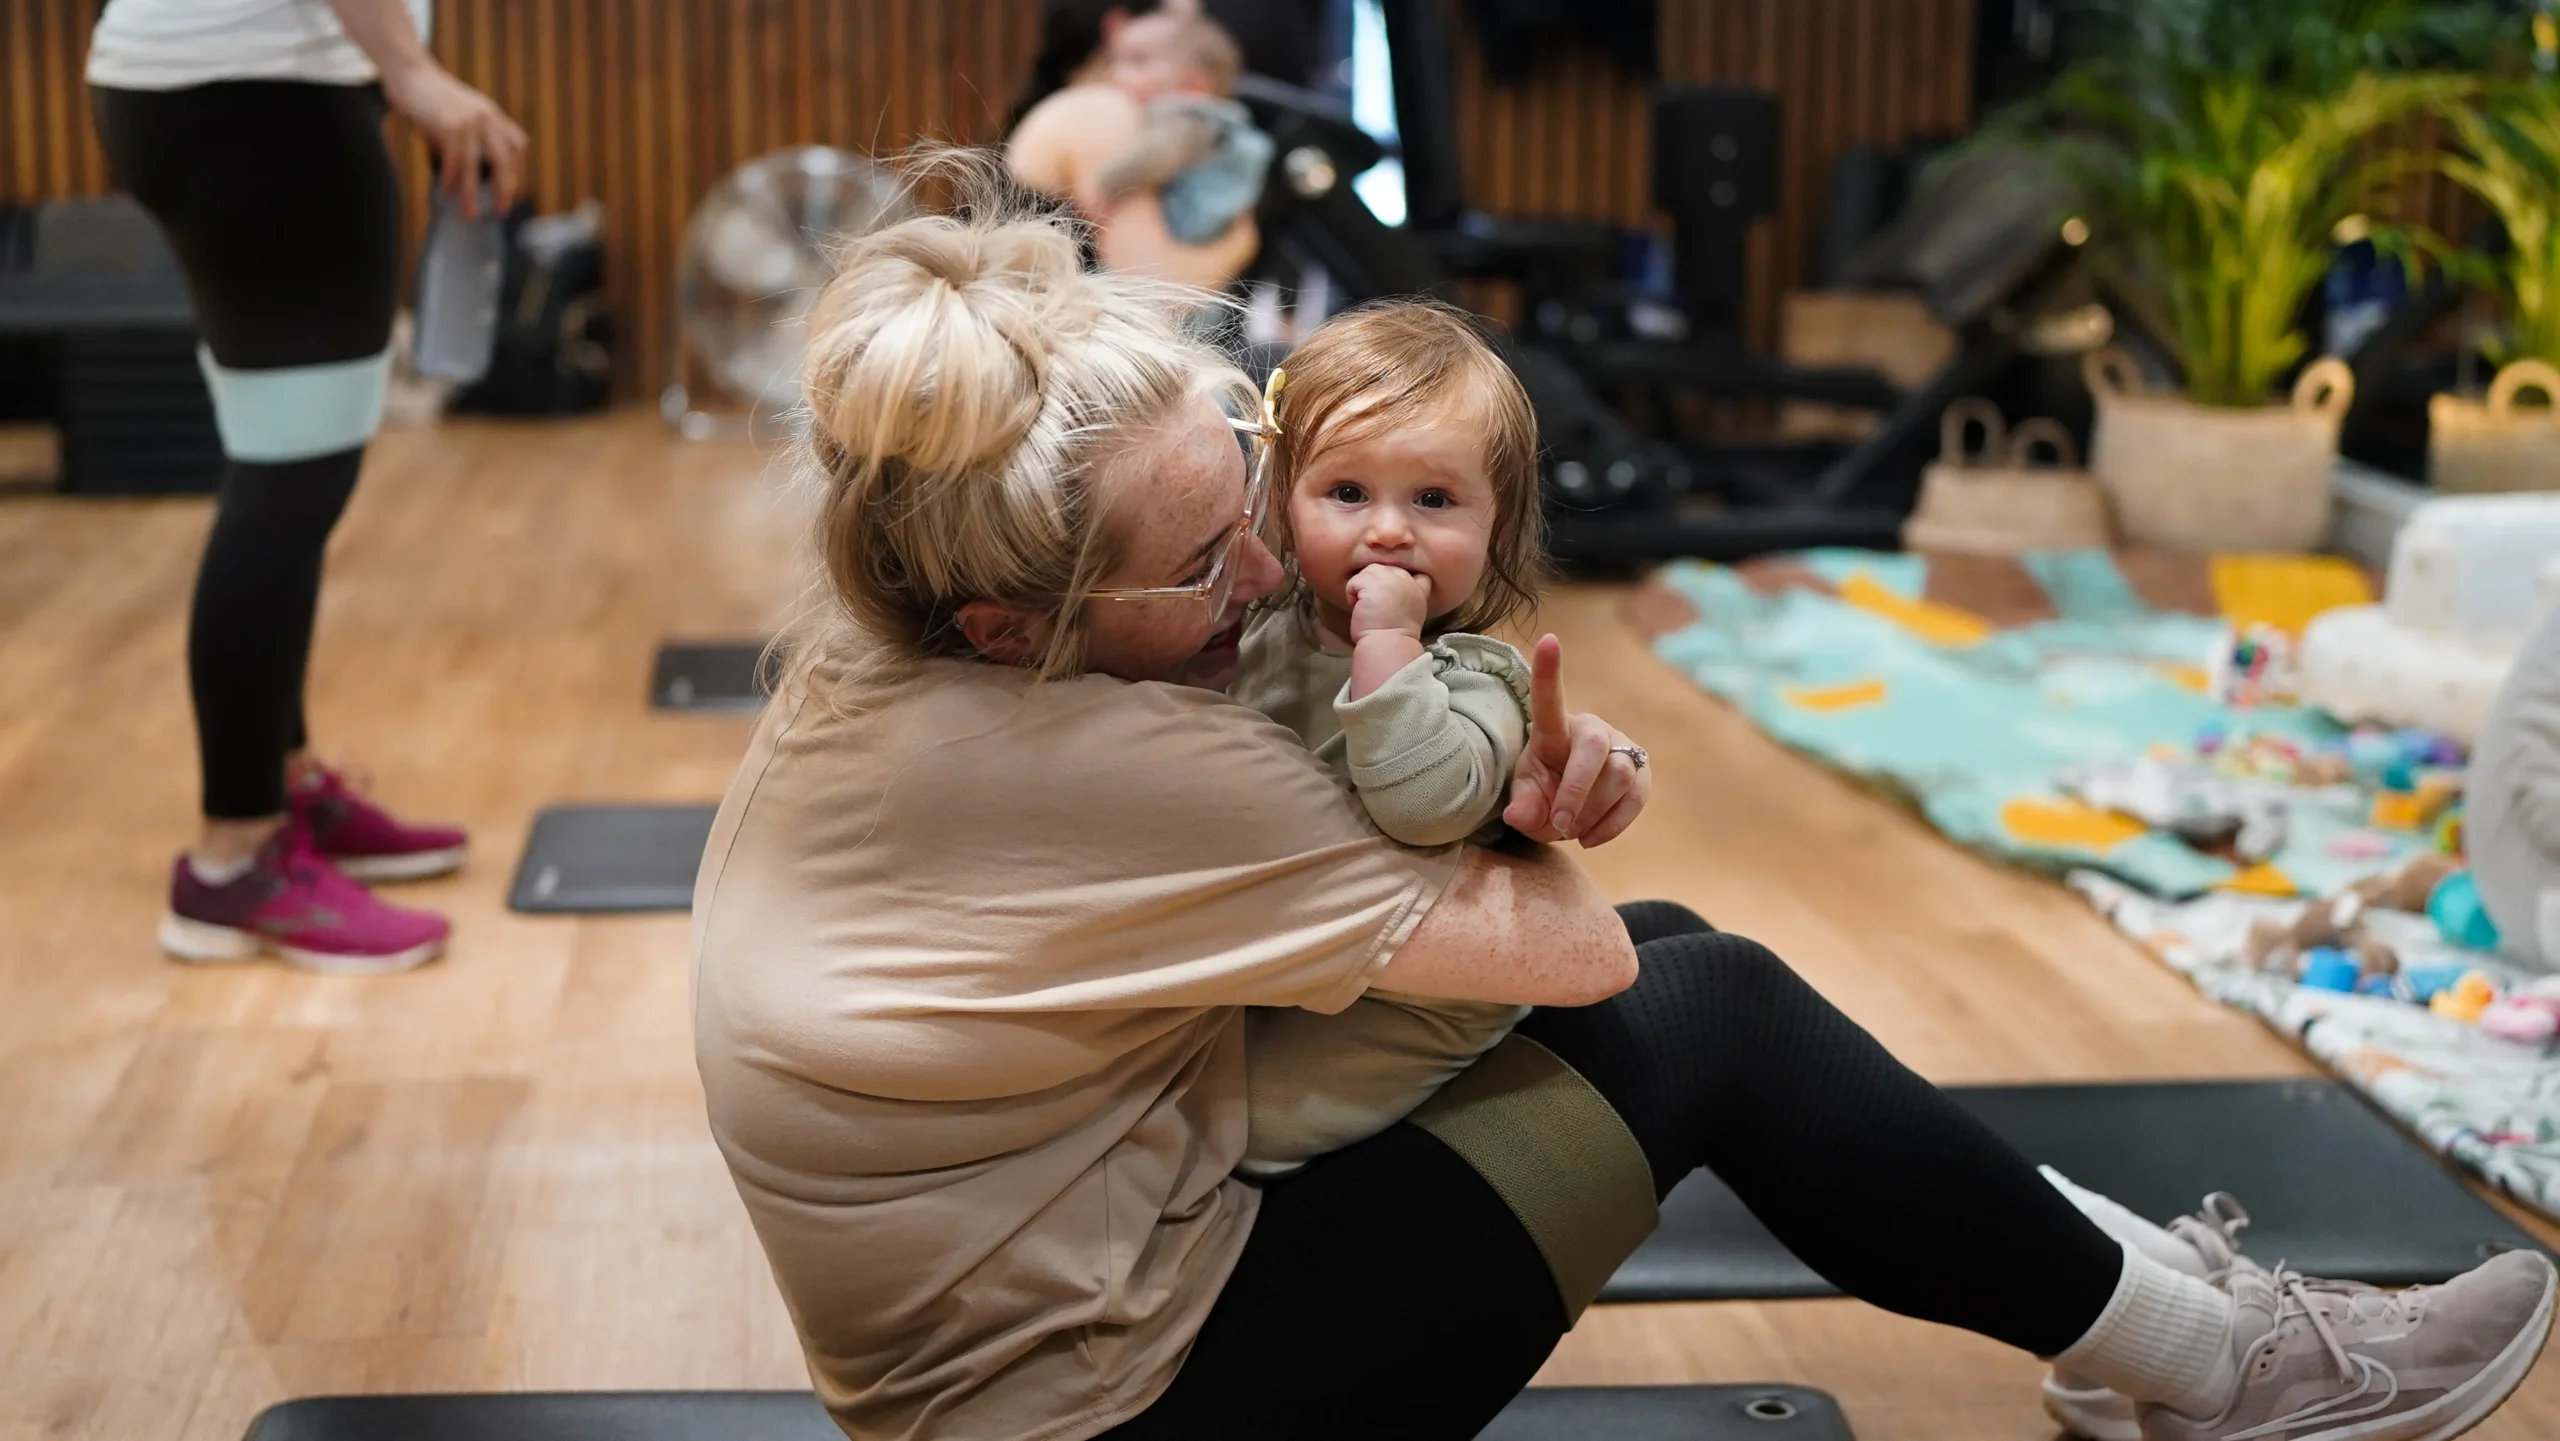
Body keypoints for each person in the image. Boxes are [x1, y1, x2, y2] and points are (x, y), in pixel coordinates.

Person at [691, 170, 2556, 1441]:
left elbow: (1499, 914)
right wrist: (1503, 788)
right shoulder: (1108, 759)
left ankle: (2154, 1320)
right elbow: (1573, 954)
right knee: (1700, 1002)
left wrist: (1500, 779)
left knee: (1676, 957)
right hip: (1117, 1405)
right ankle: (2233, 1372)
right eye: (1211, 560)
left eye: (1250, 493)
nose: (1270, 571)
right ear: (1024, 614)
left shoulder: (894, 671)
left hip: (1035, 1332)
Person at [88, 0, 527, 971]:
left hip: (207, 89)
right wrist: (411, 71)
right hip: (262, 98)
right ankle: (233, 859)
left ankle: (277, 788)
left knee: (284, 469)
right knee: (287, 483)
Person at [1226, 301, 1579, 1176]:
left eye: (1433, 499)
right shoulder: (1257, 637)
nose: (1388, 529)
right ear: (1281, 498)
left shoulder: (1480, 682)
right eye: (1347, 493)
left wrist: (1387, 644)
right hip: (1302, 957)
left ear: (1496, 524)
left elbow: (1422, 809)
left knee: (1250, 1129)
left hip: (1414, 1001)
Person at [1003, 1, 1259, 287]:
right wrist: (1242, 243)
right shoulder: (1104, 112)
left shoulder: (1077, 106)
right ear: (1116, 25)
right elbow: (1159, 290)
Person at [1086, 12, 1272, 249]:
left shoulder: (1185, 116)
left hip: (1187, 234)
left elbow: (1158, 155)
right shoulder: (1220, 122)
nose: (1115, 73)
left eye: (1137, 61)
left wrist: (1104, 184)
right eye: (1113, 60)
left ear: (1194, 85)